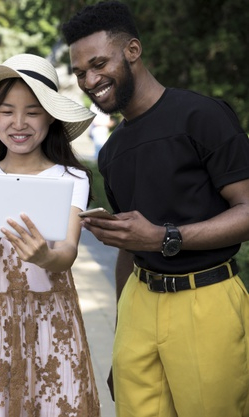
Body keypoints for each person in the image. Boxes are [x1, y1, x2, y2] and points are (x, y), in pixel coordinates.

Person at [62, 2, 249, 416]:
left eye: (98, 64)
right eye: (79, 73)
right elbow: (130, 247)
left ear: (132, 50)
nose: (90, 80)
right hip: (139, 305)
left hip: (207, 299)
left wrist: (165, 237)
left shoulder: (203, 116)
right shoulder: (111, 152)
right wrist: (120, 337)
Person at [0, 53, 100, 416]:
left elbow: (67, 251)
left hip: (54, 317)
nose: (19, 123)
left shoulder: (71, 178)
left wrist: (43, 257)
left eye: (33, 112)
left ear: (50, 117)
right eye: (6, 111)